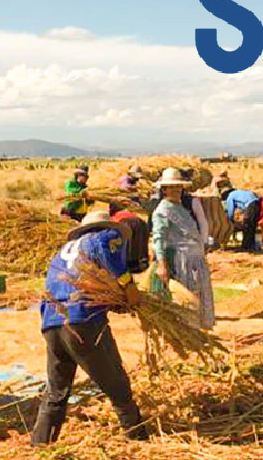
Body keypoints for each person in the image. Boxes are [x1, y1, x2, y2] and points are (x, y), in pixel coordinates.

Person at [33, 211, 148, 445]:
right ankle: (138, 438)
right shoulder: (105, 236)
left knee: (56, 390)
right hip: (83, 320)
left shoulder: (62, 252)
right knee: (116, 384)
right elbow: (113, 265)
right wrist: (129, 289)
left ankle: (40, 444)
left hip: (52, 323)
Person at [150, 168, 215, 329]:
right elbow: (159, 239)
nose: (176, 189)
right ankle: (188, 332)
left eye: (178, 186)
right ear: (164, 190)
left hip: (195, 261)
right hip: (182, 262)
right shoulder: (163, 211)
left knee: (199, 297)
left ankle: (198, 332)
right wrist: (162, 264)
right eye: (171, 187)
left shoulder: (180, 207)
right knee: (187, 300)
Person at [221, 186, 262, 252]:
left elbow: (230, 210)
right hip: (258, 203)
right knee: (252, 226)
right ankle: (251, 246)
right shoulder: (239, 192)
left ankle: (245, 247)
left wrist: (230, 220)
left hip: (250, 205)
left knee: (246, 226)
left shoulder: (230, 196)